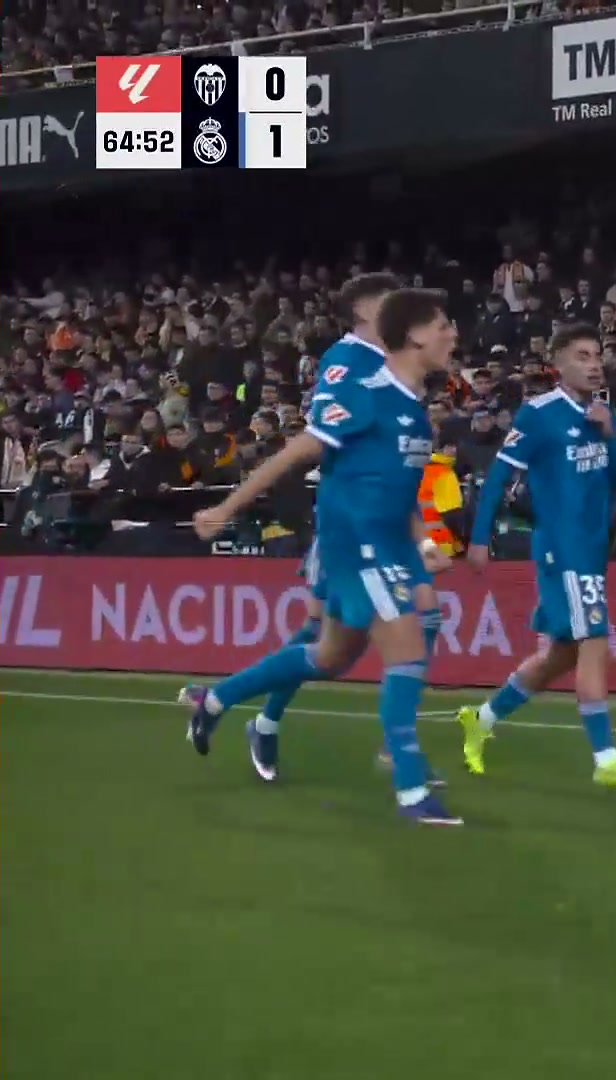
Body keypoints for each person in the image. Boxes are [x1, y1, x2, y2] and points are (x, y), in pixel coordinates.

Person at [183, 290, 462, 826]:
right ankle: (410, 790)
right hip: (355, 544)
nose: (452, 335)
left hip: (387, 544)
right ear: (413, 335)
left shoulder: (412, 406)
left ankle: (216, 702)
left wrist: (425, 541)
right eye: (443, 325)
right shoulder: (364, 389)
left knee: (328, 657)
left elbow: (399, 490)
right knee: (407, 647)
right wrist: (225, 508)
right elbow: (298, 450)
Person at [457, 325, 616, 789]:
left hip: (592, 549)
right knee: (594, 644)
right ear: (559, 365)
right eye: (583, 356)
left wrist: (609, 434)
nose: (594, 364)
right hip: (562, 549)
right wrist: (479, 537)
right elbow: (498, 476)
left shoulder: (599, 413)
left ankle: (481, 719)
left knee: (559, 656)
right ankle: (606, 759)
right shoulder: (539, 414)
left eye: (597, 356)